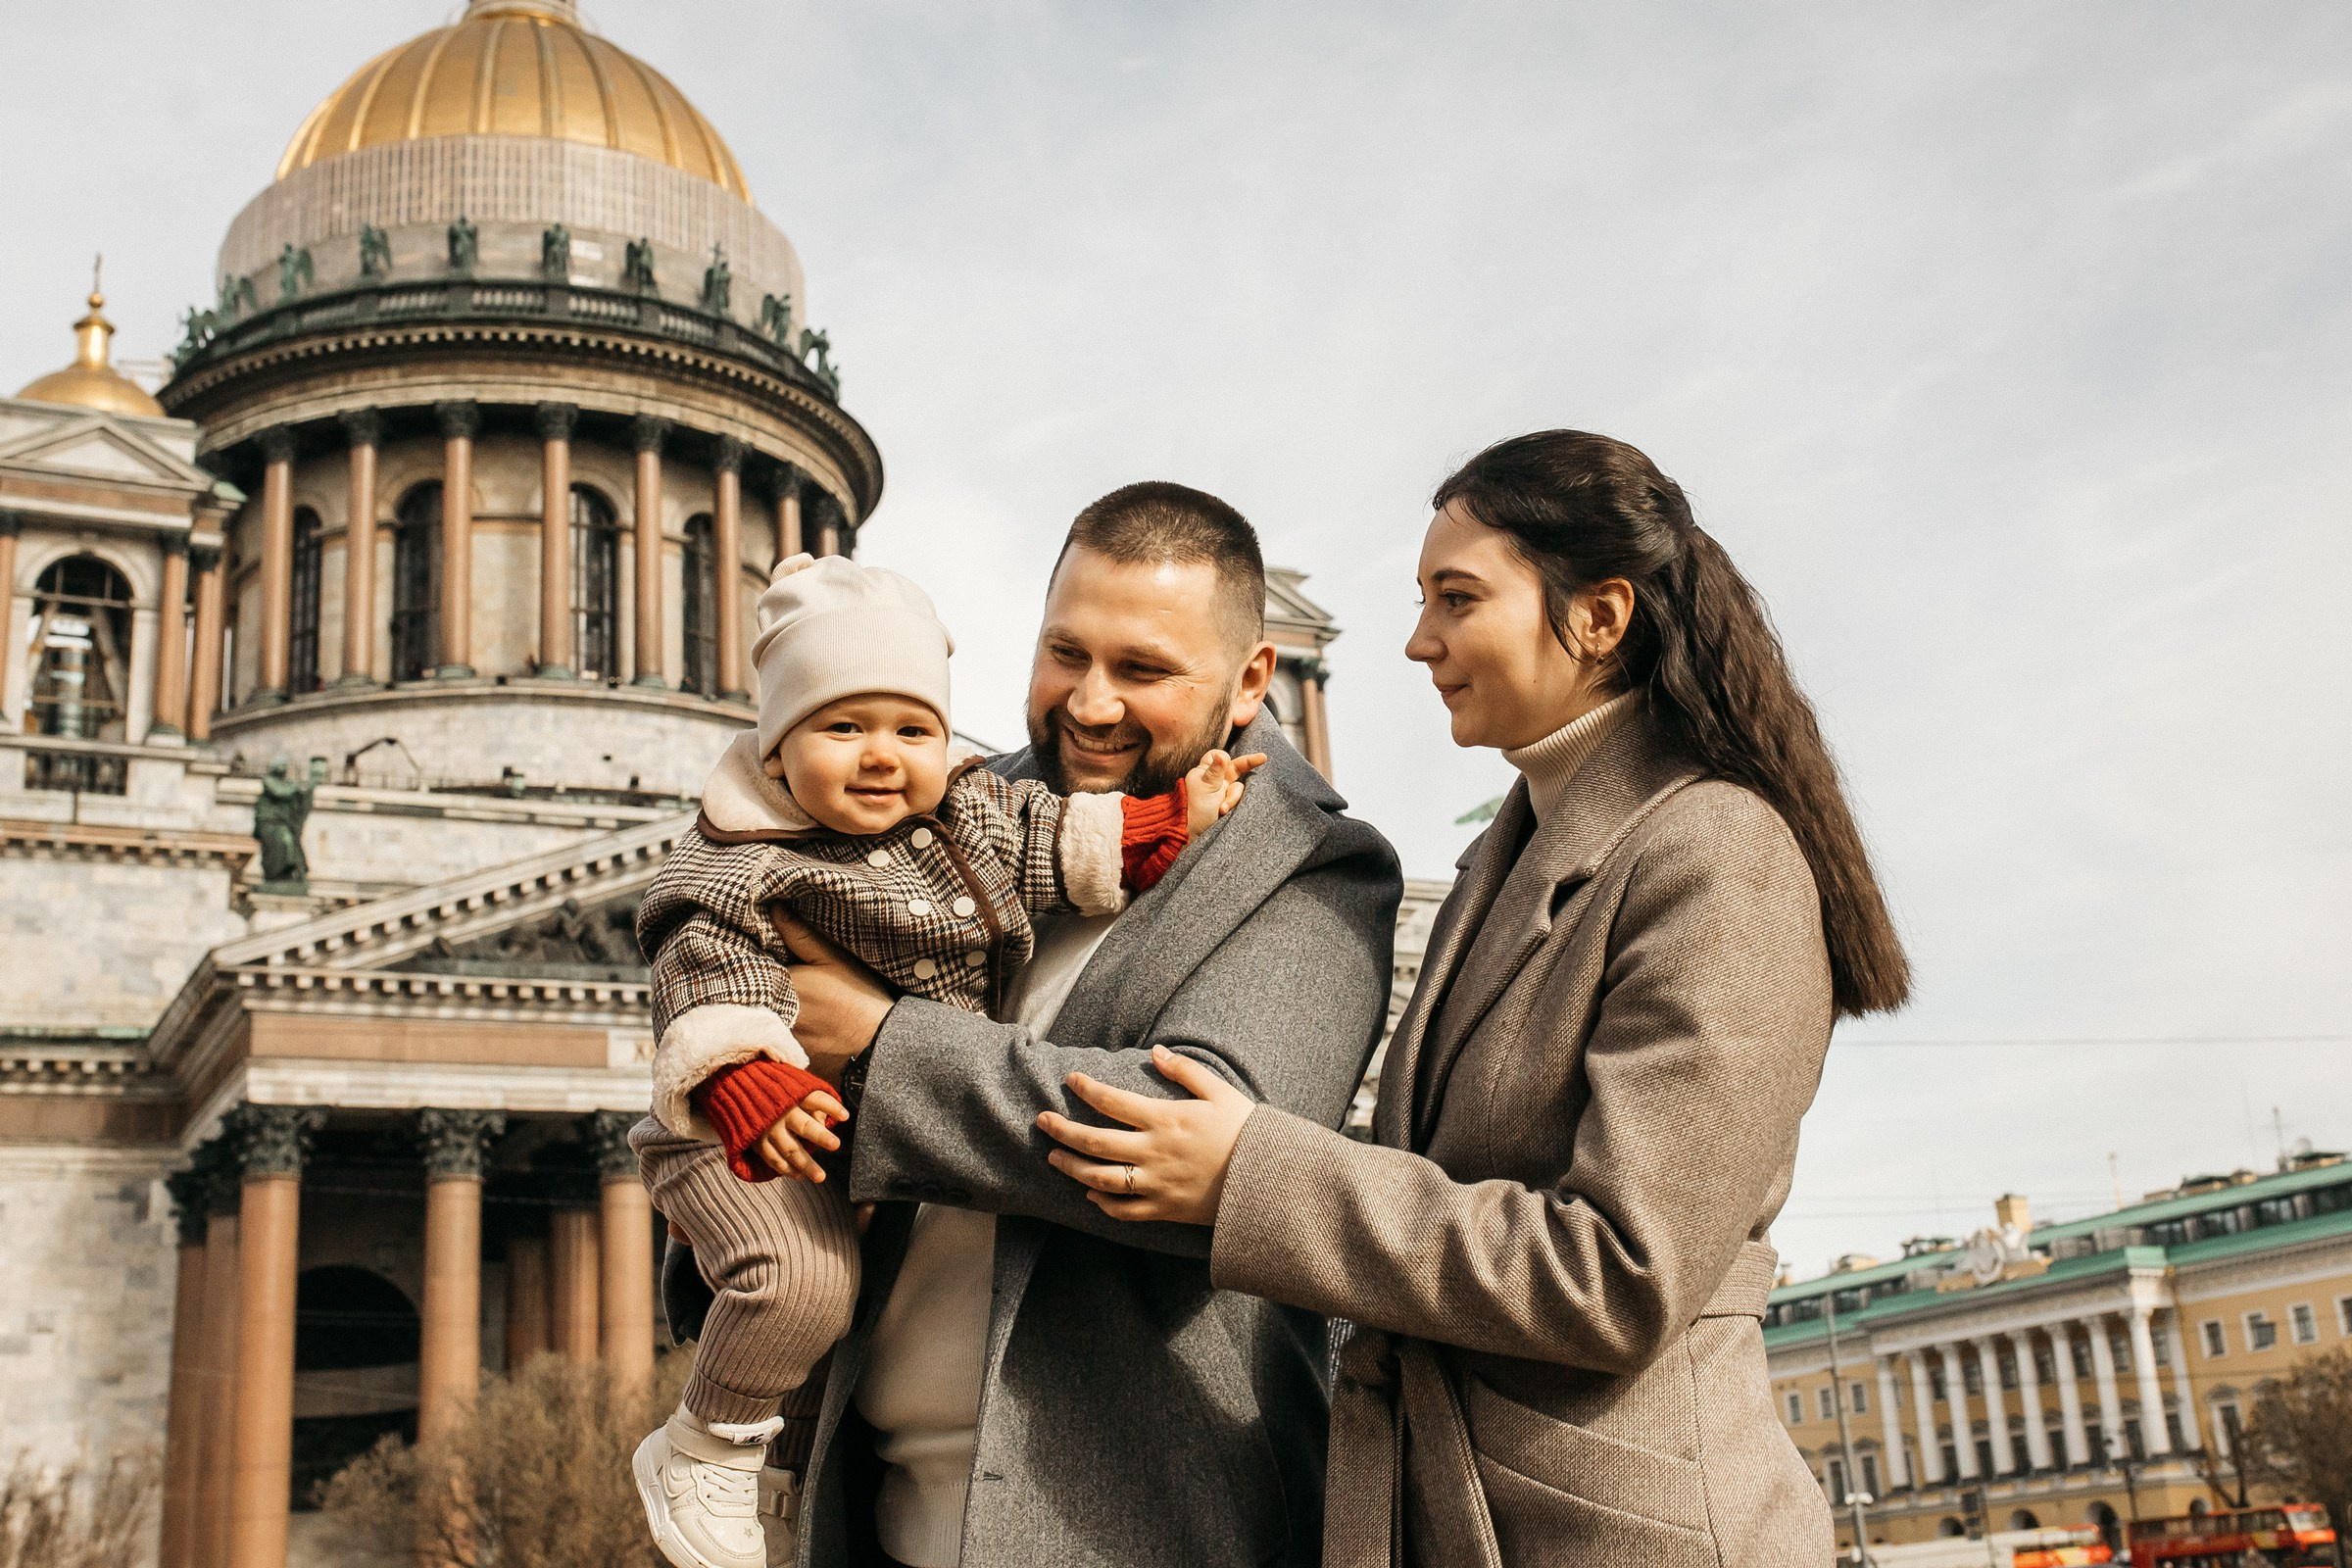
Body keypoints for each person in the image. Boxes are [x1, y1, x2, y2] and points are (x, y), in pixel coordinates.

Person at [1037, 432, 1912, 1567]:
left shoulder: (1718, 851)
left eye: (1457, 598)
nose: (1417, 640)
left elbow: (1617, 1274)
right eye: (1420, 599)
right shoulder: (1518, 851)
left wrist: (1251, 1171)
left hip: (1621, 1534)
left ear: (1598, 618)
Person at [769, 482, 1403, 1568]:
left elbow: (1187, 1150)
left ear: (1253, 679)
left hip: (1133, 1532)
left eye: (1143, 669)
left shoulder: (1313, 868)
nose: (1090, 704)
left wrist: (881, 1048)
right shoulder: (962, 810)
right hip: (869, 1515)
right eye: (1065, 654)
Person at [625, 553, 1257, 1568]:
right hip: (753, 1132)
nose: (881, 755)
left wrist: (1173, 821)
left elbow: (1061, 842)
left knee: (829, 1286)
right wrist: (741, 1069)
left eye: (912, 728)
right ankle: (708, 1449)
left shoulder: (968, 811)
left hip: (866, 1161)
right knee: (798, 1283)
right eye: (843, 726)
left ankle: (766, 1471)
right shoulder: (738, 859)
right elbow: (701, 965)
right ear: (777, 749)